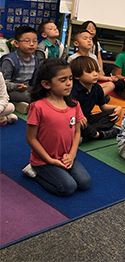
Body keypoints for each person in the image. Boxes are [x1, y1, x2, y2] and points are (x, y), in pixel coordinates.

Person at [22, 58, 91, 196]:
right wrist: (49, 160)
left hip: (66, 156)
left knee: (85, 182)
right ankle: (34, 172)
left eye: (70, 78)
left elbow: (77, 132)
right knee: (68, 188)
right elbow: (31, 138)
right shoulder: (38, 107)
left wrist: (72, 155)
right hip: (44, 160)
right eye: (63, 80)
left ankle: (60, 168)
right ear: (46, 84)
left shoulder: (73, 104)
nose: (69, 83)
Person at [70, 56, 122, 143]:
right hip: (75, 119)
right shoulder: (73, 89)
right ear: (77, 76)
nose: (95, 74)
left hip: (87, 119)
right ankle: (98, 135)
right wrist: (79, 116)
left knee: (112, 114)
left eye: (96, 71)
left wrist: (117, 107)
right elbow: (68, 110)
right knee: (76, 125)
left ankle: (87, 135)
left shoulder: (96, 88)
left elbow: (103, 106)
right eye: (90, 72)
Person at [0, 26, 40, 114]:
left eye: (35, 41)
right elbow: (3, 84)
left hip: (27, 89)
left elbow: (34, 82)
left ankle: (19, 104)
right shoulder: (9, 60)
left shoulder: (35, 60)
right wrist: (17, 86)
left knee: (42, 93)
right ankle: (16, 103)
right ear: (16, 43)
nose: (32, 44)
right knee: (30, 96)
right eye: (27, 41)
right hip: (11, 90)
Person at [67, 29, 117, 97]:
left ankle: (95, 97)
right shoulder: (73, 58)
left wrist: (108, 78)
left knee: (111, 85)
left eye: (90, 38)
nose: (89, 40)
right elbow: (69, 76)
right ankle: (96, 97)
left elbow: (96, 75)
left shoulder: (93, 57)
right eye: (85, 38)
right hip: (78, 87)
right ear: (76, 43)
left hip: (92, 85)